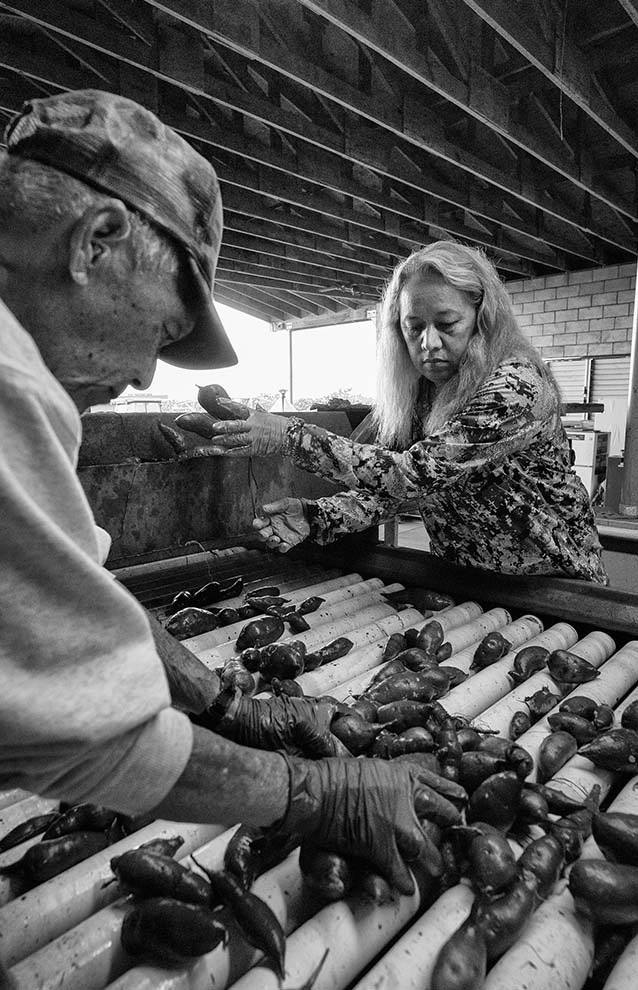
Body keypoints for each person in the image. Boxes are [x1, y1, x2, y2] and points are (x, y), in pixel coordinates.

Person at [0, 88, 449, 898]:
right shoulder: (9, 379)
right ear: (94, 242)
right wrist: (316, 793)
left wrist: (221, 696)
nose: (143, 375)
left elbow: (73, 600)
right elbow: (93, 736)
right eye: (163, 335)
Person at [175, 240, 608, 585]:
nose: (429, 343)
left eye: (447, 324)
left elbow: (414, 474)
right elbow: (389, 491)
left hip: (554, 583)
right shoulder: (423, 392)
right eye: (414, 327)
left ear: (482, 318)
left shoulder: (515, 386)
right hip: (467, 580)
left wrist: (289, 436)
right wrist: (317, 518)